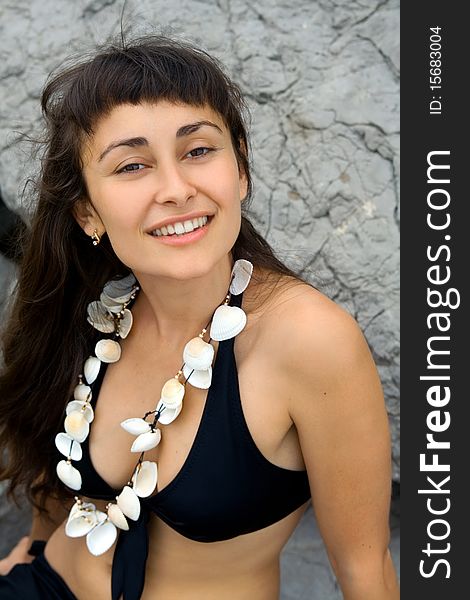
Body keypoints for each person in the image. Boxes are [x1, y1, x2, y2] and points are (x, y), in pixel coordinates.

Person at [0, 34, 399, 599]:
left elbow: (366, 572)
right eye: (132, 165)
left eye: (198, 151)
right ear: (88, 212)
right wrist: (34, 550)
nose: (176, 189)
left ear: (240, 168)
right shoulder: (96, 311)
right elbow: (55, 466)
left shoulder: (310, 341)